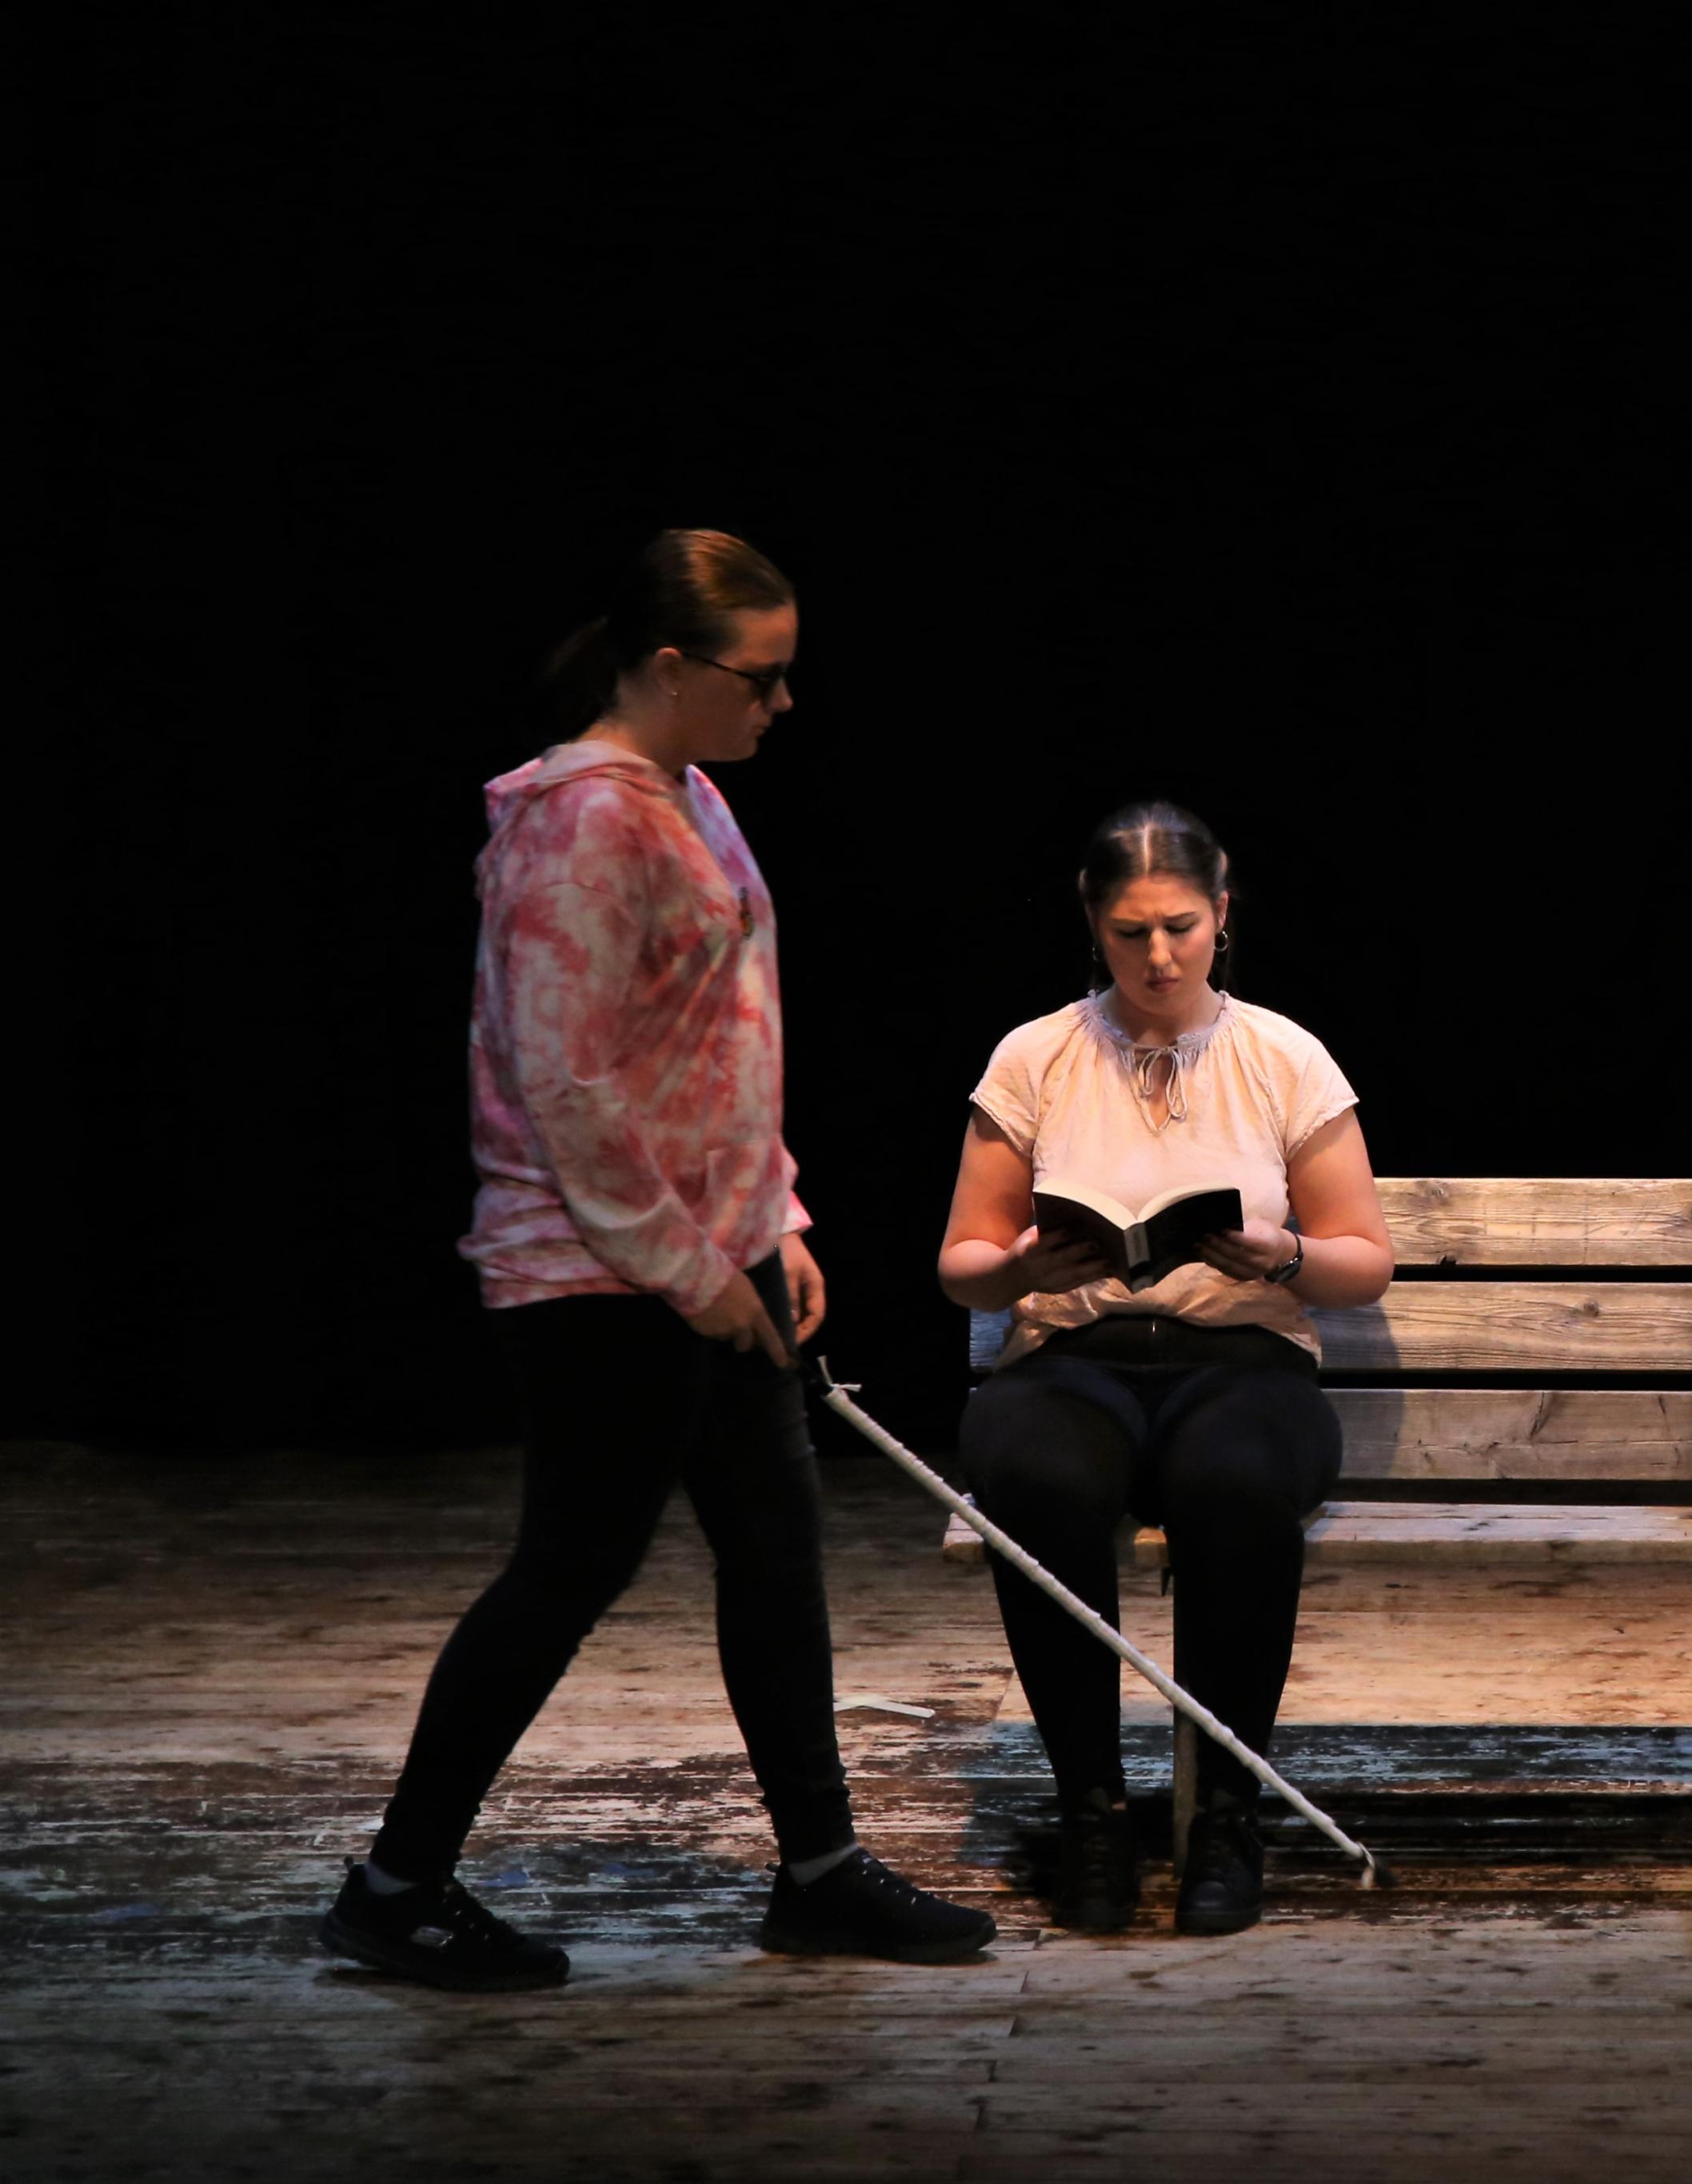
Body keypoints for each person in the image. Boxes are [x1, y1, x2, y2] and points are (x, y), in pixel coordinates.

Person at [322, 529, 994, 1992]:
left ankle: (819, 1871)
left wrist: (778, 1217)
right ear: (673, 666)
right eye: (763, 676)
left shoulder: (691, 794)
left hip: (705, 1258)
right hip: (599, 1276)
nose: (784, 703)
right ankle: (395, 1884)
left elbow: (717, 1040)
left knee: (775, 1555)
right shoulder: (579, 826)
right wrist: (698, 1273)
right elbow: (569, 1088)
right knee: (572, 1566)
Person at [939, 801, 1393, 1938]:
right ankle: (1091, 1812)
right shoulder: (1035, 1056)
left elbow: (1364, 1260)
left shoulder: (1282, 1056)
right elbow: (962, 1266)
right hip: (1075, 1357)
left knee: (1235, 1482)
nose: (1157, 956)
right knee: (1035, 1477)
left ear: (1221, 914)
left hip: (1240, 1359)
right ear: (1092, 922)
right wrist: (1023, 1266)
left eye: (1180, 928)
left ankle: (1225, 1819)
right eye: (1131, 931)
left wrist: (1283, 1254)